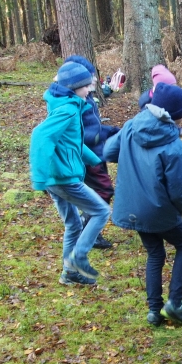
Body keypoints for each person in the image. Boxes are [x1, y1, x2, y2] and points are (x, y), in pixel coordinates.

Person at [104, 83, 182, 326]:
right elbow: (177, 190)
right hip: (159, 209)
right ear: (176, 114)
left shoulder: (132, 126)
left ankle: (154, 310)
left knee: (155, 252)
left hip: (132, 206)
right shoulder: (175, 146)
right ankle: (174, 304)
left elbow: (109, 151)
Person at [29, 61, 112, 286]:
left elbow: (71, 142)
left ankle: (69, 273)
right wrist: (38, 178)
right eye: (85, 86)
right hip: (64, 178)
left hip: (57, 178)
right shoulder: (67, 109)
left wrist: (96, 159)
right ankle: (79, 257)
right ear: (74, 88)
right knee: (102, 212)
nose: (90, 89)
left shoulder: (67, 104)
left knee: (74, 224)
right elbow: (40, 136)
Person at [63, 55, 119, 249]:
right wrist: (104, 134)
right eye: (90, 76)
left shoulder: (86, 97)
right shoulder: (75, 103)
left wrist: (110, 130)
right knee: (103, 190)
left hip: (96, 153)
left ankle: (87, 224)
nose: (94, 79)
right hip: (88, 155)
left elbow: (94, 125)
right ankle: (89, 228)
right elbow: (84, 133)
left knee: (100, 190)